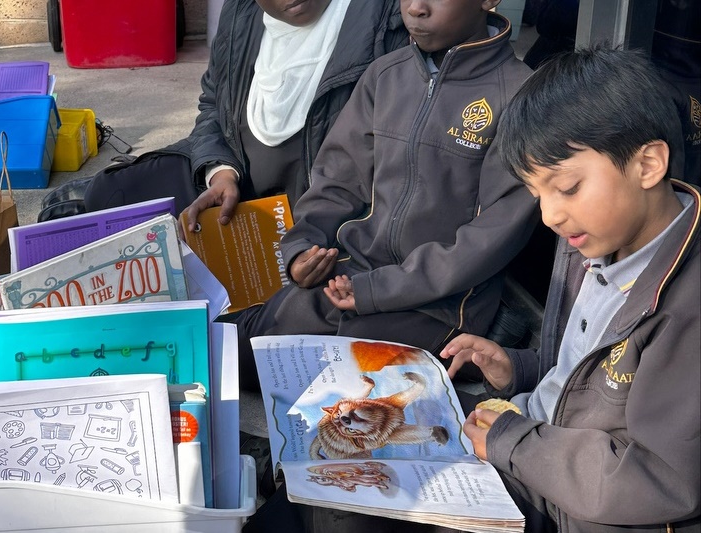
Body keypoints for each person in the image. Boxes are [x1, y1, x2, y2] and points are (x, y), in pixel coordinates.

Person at [440, 46, 700, 532]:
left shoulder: (688, 306)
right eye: (537, 194)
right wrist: (518, 367)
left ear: (647, 165)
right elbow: (591, 375)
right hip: (534, 453)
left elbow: (659, 478)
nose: (549, 215)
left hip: (582, 505)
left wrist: (513, 441)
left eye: (568, 187)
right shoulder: (592, 241)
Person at [235, 0, 536, 390]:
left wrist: (375, 291)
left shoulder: (517, 96)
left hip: (441, 308)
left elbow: (489, 239)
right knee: (244, 351)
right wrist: (300, 249)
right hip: (352, 278)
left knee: (313, 376)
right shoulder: (385, 75)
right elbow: (336, 181)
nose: (415, 8)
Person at [75, 0, 410, 226]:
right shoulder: (242, 15)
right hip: (240, 189)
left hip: (322, 213)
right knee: (111, 194)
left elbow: (397, 160)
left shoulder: (382, 21)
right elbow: (212, 104)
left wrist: (319, 231)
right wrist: (220, 173)